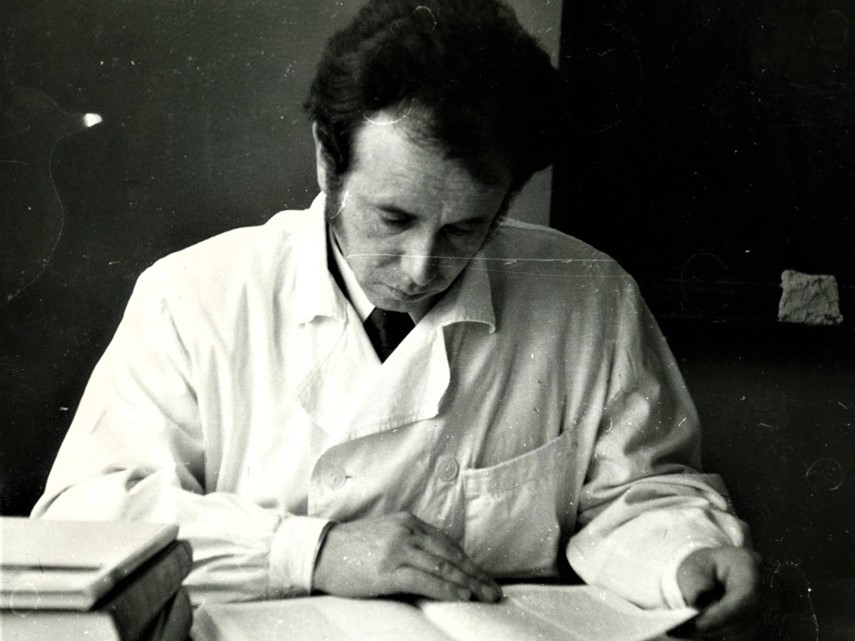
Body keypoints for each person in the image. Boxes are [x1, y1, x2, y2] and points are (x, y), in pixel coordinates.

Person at [33, 0, 760, 638]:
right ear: (327, 161)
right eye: (394, 218)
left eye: (465, 228)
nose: (419, 268)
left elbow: (637, 492)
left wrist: (683, 555)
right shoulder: (195, 296)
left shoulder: (587, 295)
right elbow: (81, 523)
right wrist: (310, 549)